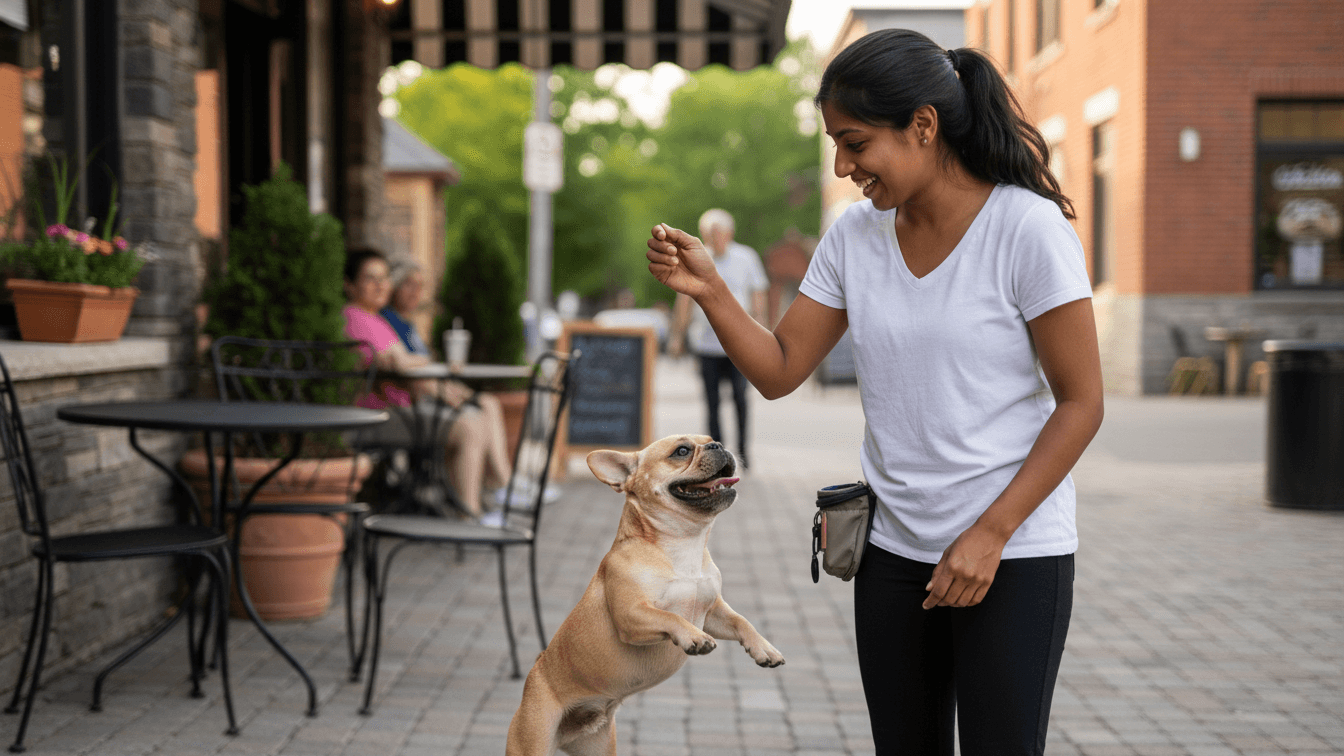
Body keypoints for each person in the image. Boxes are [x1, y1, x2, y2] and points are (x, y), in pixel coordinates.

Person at [644, 29, 1103, 756]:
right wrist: (711, 291)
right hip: (893, 554)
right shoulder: (854, 235)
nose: (842, 164)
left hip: (1011, 555)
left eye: (854, 142)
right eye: (834, 143)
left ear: (923, 125)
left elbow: (1082, 403)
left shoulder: (1026, 228)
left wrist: (990, 534)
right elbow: (781, 367)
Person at [343, 247, 513, 519]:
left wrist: (409, 361)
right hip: (373, 417)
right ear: (349, 285)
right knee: (468, 428)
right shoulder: (353, 317)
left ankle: (478, 502)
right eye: (369, 278)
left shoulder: (376, 320)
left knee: (473, 420)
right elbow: (396, 363)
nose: (380, 285)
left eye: (384, 278)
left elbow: (405, 361)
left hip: (398, 411)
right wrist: (410, 361)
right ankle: (470, 516)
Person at [669, 209, 768, 469]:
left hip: (739, 343)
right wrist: (677, 335)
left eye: (718, 233)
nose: (714, 239)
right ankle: (719, 456)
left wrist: (762, 335)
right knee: (711, 402)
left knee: (740, 397)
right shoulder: (697, 260)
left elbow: (758, 297)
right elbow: (685, 300)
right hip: (706, 344)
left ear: (729, 233)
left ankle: (744, 452)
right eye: (709, 234)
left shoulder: (746, 257)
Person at [380, 258, 431, 356]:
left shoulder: (407, 324)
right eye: (409, 284)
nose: (415, 291)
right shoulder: (386, 320)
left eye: (419, 285)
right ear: (394, 286)